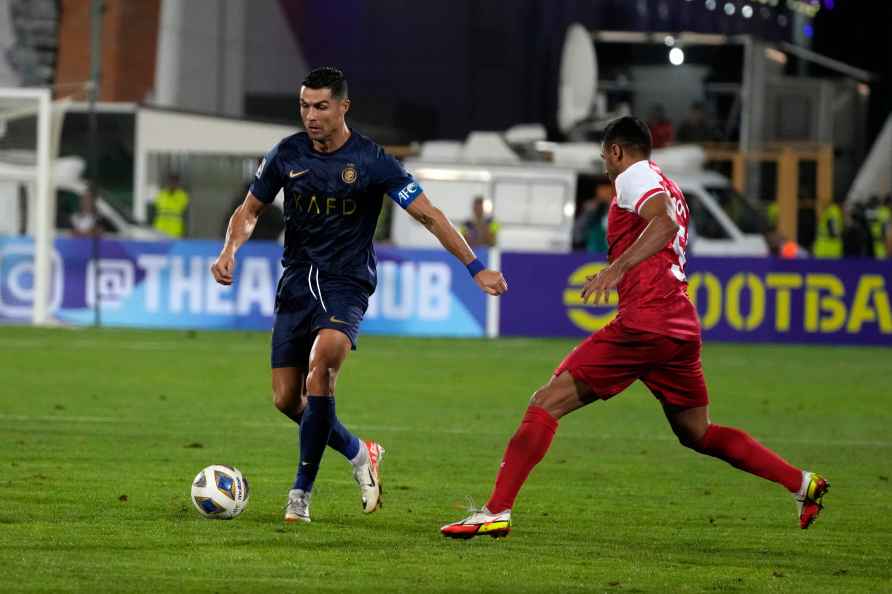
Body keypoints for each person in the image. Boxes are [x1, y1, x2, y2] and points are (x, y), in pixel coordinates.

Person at [440, 116, 828, 539]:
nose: (604, 165)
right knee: (697, 432)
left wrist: (616, 268)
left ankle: (497, 510)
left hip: (647, 321)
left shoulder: (633, 176)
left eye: (605, 155)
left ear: (617, 152)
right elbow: (668, 224)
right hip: (678, 327)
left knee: (546, 401)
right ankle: (801, 482)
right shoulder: (667, 183)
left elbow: (664, 225)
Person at [210, 67, 507, 524]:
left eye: (321, 106)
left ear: (343, 107)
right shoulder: (285, 155)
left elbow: (429, 215)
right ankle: (358, 451)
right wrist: (230, 247)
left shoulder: (372, 161)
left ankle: (299, 496)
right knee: (287, 400)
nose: (311, 115)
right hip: (295, 283)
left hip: (346, 282)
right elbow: (250, 211)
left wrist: (476, 267)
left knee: (323, 363)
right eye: (305, 106)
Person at [152, 174, 190, 238]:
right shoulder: (161, 194)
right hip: (160, 228)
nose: (172, 184)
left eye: (175, 182)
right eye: (171, 181)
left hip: (175, 229)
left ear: (178, 183)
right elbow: (155, 209)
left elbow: (185, 212)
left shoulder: (182, 196)